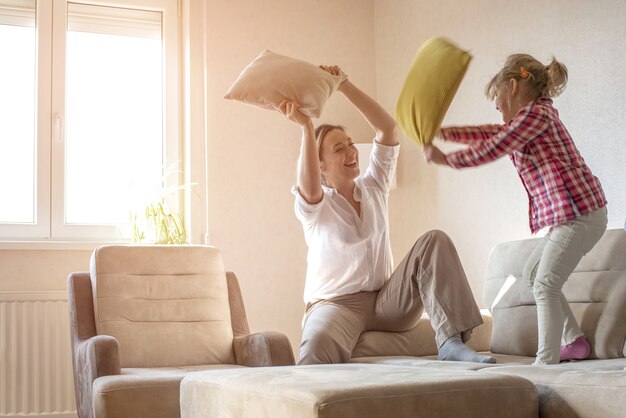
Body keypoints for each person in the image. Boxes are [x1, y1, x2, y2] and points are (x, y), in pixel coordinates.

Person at [279, 65, 495, 365]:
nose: (351, 151)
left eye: (351, 144)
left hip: (387, 301)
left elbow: (388, 130)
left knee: (434, 241)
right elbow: (309, 186)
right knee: (316, 344)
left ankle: (450, 342)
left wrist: (344, 84)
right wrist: (305, 126)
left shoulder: (374, 186)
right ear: (321, 166)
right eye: (339, 149)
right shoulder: (316, 207)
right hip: (336, 304)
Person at [423, 54, 608, 365]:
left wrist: (447, 159)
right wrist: (447, 133)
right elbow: (492, 134)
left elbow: (496, 145)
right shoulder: (529, 120)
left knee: (546, 283)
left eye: (497, 98)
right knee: (534, 273)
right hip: (574, 216)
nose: (497, 108)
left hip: (581, 215)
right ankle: (574, 342)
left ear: (512, 86)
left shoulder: (537, 116)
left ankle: (545, 362)